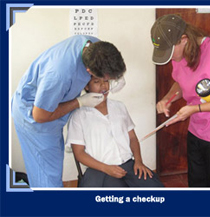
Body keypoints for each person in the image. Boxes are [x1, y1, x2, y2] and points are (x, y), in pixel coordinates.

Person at [11, 35, 126, 187]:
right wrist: (79, 102)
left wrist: (118, 76)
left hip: (50, 108)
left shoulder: (94, 46)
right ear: (89, 70)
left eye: (108, 81)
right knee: (47, 177)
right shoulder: (59, 74)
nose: (105, 85)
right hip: (34, 118)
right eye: (100, 80)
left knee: (54, 164)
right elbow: (40, 115)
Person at [150, 14, 210, 187]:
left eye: (170, 51)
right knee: (197, 183)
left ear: (184, 39)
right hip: (198, 128)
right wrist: (168, 98)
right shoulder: (180, 55)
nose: (170, 57)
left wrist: (195, 109)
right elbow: (181, 81)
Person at [66, 75, 164, 187]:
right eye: (97, 82)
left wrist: (138, 161)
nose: (103, 85)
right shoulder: (79, 115)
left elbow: (132, 138)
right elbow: (79, 153)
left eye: (106, 81)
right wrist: (106, 168)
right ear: (87, 86)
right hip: (99, 169)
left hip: (128, 165)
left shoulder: (119, 106)